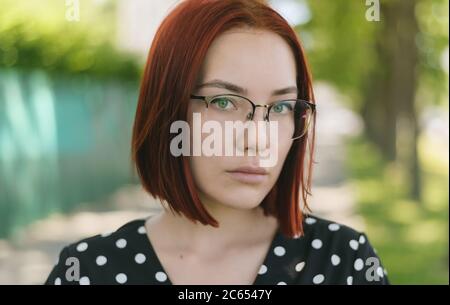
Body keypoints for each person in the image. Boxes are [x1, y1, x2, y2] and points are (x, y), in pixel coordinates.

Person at [45, 0, 389, 285]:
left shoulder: (343, 261)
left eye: (281, 106)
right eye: (224, 102)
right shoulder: (87, 272)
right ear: (169, 108)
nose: (258, 139)